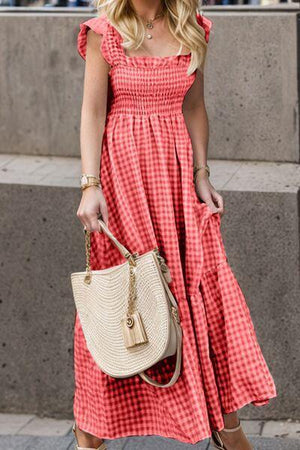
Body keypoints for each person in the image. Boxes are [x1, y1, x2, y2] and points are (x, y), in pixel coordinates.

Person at [73, 1, 277, 449]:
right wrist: (90, 185)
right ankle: (90, 432)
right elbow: (92, 112)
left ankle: (225, 425)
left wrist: (203, 174)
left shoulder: (194, 28)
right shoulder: (102, 30)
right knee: (124, 301)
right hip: (124, 182)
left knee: (198, 294)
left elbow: (195, 108)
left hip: (178, 182)